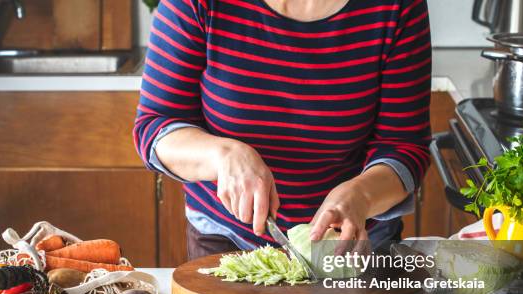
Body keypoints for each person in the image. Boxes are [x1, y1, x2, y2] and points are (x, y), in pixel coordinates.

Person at [133, 0, 432, 259]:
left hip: (353, 244)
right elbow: (155, 125)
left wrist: (362, 195)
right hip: (227, 242)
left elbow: (404, 145)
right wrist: (224, 155)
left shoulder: (397, 7)